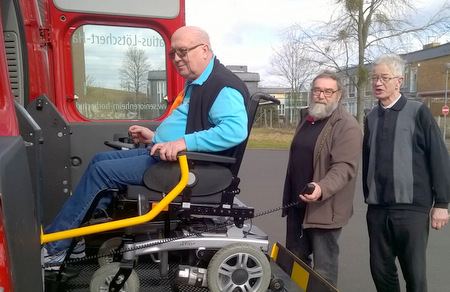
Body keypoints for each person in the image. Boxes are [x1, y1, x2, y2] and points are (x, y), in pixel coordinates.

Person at [43, 26, 250, 268]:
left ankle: (55, 248)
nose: (176, 59)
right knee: (100, 160)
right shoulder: (200, 82)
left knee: (102, 173)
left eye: (183, 51)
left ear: (204, 50)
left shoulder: (222, 86)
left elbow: (234, 130)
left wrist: (182, 142)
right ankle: (75, 236)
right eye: (173, 54)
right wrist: (155, 138)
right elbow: (189, 125)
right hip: (174, 157)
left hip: (192, 169)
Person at [363, 53, 450, 292]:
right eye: (374, 78)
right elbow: (367, 159)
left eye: (384, 78)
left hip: (411, 208)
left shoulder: (418, 112)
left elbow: (439, 157)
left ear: (399, 81)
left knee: (414, 274)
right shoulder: (370, 118)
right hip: (378, 209)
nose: (378, 83)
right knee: (380, 272)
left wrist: (442, 203)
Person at [282, 70, 363, 287]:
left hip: (324, 208)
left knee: (323, 272)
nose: (321, 95)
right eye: (317, 90)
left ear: (339, 95)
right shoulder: (307, 119)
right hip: (298, 205)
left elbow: (344, 167)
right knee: (295, 263)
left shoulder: (347, 126)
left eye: (328, 91)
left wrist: (321, 188)